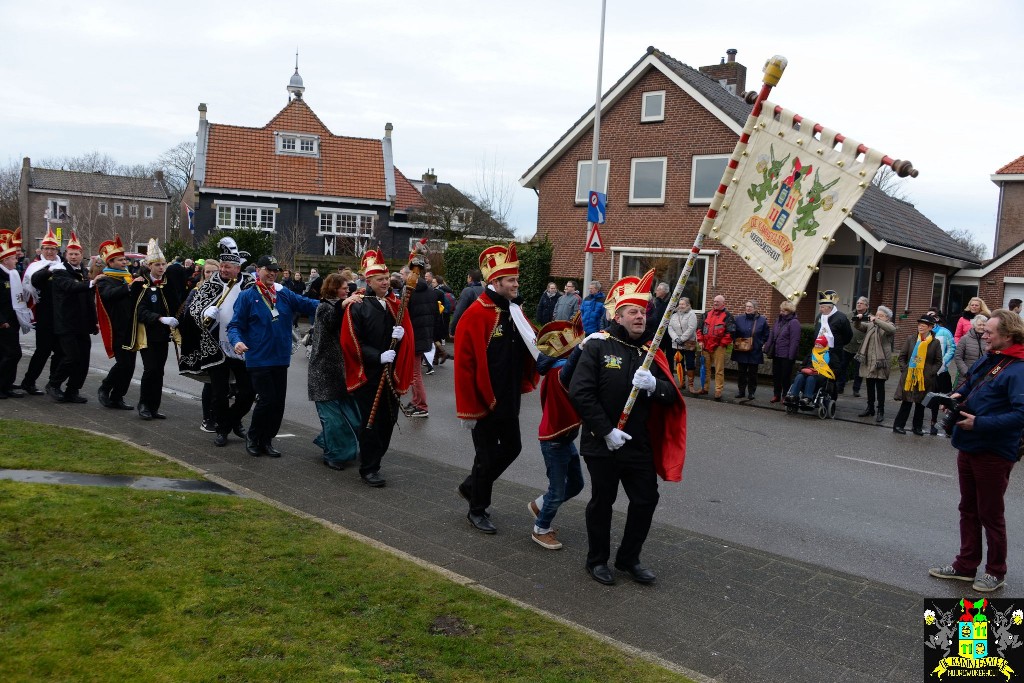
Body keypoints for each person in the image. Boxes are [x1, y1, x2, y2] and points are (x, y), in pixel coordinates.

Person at [569, 268, 685, 585]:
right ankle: (597, 560)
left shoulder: (650, 352)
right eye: (632, 311)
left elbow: (672, 395)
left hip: (637, 443)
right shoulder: (598, 346)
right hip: (602, 442)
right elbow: (580, 392)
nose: (640, 316)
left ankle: (628, 558)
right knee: (602, 502)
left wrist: (653, 387)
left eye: (643, 311)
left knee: (646, 499)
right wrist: (606, 431)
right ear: (618, 316)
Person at [928, 309, 1024, 593]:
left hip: (993, 451)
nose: (984, 334)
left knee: (990, 513)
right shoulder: (991, 357)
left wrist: (979, 422)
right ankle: (965, 565)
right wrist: (956, 396)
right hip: (968, 444)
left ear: (1007, 336)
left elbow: (1021, 415)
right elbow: (971, 382)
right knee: (968, 508)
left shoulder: (1019, 369)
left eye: (990, 332)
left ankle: (996, 571)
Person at [455, 243, 538, 533]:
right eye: (511, 280)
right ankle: (477, 509)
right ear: (495, 282)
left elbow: (532, 344)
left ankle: (471, 486)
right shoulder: (476, 314)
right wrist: (470, 407)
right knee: (486, 456)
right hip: (484, 399)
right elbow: (465, 366)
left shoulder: (512, 311)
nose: (516, 284)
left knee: (512, 447)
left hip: (508, 397)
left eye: (516, 279)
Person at [228, 255, 320, 458]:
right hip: (258, 358)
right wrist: (237, 341)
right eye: (268, 269)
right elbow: (235, 325)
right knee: (267, 400)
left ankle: (267, 440)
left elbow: (306, 304)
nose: (272, 273)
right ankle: (253, 437)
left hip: (280, 357)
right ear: (258, 270)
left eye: (275, 270)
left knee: (278, 403)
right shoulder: (247, 296)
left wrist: (334, 303)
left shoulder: (283, 293)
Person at [340, 249, 415, 486]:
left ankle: (374, 455)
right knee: (371, 421)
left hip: (390, 372)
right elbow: (351, 341)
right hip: (369, 373)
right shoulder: (358, 305)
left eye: (386, 278)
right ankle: (369, 468)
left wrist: (401, 335)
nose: (385, 282)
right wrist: (377, 356)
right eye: (380, 279)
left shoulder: (395, 302)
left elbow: (405, 330)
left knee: (388, 418)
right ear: (368, 281)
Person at [177, 237, 256, 446]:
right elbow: (192, 311)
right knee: (219, 393)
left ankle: (232, 421)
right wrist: (205, 311)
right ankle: (222, 428)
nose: (223, 269)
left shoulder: (249, 284)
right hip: (215, 345)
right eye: (221, 265)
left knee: (248, 391)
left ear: (238, 268)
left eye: (228, 266)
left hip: (241, 345)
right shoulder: (210, 285)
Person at [528, 313, 586, 550]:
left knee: (577, 484)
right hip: (554, 439)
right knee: (557, 489)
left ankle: (538, 505)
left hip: (563, 437)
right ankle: (541, 528)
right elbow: (571, 369)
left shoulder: (556, 366)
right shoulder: (558, 372)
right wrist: (582, 348)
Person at [308, 273, 361, 470]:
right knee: (333, 420)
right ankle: (333, 455)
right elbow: (332, 320)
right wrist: (345, 303)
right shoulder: (324, 307)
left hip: (340, 373)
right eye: (343, 287)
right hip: (323, 373)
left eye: (348, 287)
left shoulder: (341, 306)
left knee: (352, 417)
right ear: (333, 288)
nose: (348, 290)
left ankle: (330, 443)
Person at [132, 239, 180, 420]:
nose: (161, 268)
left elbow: (176, 304)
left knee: (159, 371)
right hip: (147, 335)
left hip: (163, 335)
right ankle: (143, 404)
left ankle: (154, 406)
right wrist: (159, 318)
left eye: (163, 264)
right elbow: (139, 310)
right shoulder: (140, 284)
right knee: (150, 369)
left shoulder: (168, 284)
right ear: (149, 265)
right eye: (157, 264)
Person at [47, 231, 97, 403]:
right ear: (66, 255)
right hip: (66, 322)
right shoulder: (60, 272)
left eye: (76, 254)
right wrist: (91, 283)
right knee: (71, 357)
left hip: (82, 324)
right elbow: (70, 287)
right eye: (71, 254)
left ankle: (73, 390)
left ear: (82, 255)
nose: (74, 257)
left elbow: (89, 300)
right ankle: (53, 384)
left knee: (83, 359)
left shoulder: (84, 272)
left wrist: (94, 322)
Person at [95, 234, 144, 411]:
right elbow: (108, 296)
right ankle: (105, 387)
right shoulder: (104, 280)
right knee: (123, 364)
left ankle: (118, 396)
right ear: (110, 262)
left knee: (130, 366)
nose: (125, 262)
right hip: (117, 328)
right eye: (120, 260)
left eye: (125, 259)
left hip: (131, 327)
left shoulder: (128, 277)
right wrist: (128, 287)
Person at [19, 226, 64, 395]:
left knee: (60, 351)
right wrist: (49, 271)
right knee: (42, 351)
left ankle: (53, 383)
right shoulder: (35, 266)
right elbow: (32, 285)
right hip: (44, 313)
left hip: (60, 315)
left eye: (53, 249)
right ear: (41, 250)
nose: (50, 252)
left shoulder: (62, 265)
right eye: (47, 248)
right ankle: (28, 381)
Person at [892, 315, 943, 435]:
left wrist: (931, 372)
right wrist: (905, 370)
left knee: (921, 404)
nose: (921, 326)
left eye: (924, 325)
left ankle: (917, 427)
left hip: (925, 379)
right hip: (910, 377)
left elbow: (938, 361)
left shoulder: (935, 343)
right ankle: (898, 425)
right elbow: (902, 357)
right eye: (919, 324)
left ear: (931, 327)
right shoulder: (911, 339)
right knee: (907, 402)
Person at [0, 231, 30, 398]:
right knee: (10, 353)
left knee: (12, 354)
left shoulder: (12, 274)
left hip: (12, 321)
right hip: (4, 323)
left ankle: (7, 385)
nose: (16, 259)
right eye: (13, 258)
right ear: (5, 260)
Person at [854, 305, 896, 423]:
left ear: (887, 317)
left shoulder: (889, 326)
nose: (877, 317)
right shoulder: (871, 325)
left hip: (881, 362)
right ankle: (870, 408)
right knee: (869, 385)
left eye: (880, 315)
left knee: (880, 387)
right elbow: (859, 326)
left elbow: (891, 330)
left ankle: (880, 411)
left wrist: (875, 320)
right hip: (869, 359)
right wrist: (857, 319)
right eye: (876, 314)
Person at [813, 290, 853, 399]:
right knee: (817, 375)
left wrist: (838, 345)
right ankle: (816, 396)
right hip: (819, 351)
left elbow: (848, 335)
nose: (820, 309)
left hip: (834, 352)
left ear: (829, 308)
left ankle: (831, 399)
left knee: (832, 376)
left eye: (822, 307)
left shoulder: (841, 318)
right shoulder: (820, 316)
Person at [696, 294, 735, 401]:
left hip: (719, 347)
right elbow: (699, 328)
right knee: (705, 369)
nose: (715, 303)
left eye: (718, 301)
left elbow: (731, 333)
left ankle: (718, 390)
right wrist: (700, 341)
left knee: (719, 370)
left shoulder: (728, 316)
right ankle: (704, 388)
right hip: (705, 346)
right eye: (714, 301)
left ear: (723, 303)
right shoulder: (706, 314)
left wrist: (722, 344)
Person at [731, 299, 769, 401]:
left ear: (755, 309)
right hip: (741, 350)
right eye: (747, 306)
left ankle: (751, 392)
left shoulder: (762, 320)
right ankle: (741, 391)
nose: (748, 308)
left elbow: (766, 335)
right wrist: (736, 341)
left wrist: (760, 343)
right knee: (741, 372)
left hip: (755, 351)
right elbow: (733, 332)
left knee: (753, 373)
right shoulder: (738, 319)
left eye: (750, 307)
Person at [926, 309, 957, 435]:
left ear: (937, 319)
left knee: (946, 398)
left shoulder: (945, 332)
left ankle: (950, 423)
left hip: (942, 371)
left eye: (932, 316)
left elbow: (952, 348)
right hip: (928, 371)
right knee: (932, 398)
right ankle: (932, 423)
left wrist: (943, 363)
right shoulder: (923, 332)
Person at [765, 300, 801, 403]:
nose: (782, 312)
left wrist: (791, 356)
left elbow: (795, 340)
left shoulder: (794, 322)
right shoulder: (778, 320)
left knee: (785, 377)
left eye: (784, 311)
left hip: (786, 355)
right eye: (781, 310)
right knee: (776, 376)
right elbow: (772, 335)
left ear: (790, 311)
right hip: (777, 353)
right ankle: (776, 394)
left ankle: (785, 395)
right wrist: (767, 347)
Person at [784, 335, 833, 407]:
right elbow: (802, 365)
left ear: (824, 346)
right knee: (799, 376)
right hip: (807, 372)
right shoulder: (811, 354)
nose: (817, 346)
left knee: (811, 378)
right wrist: (803, 369)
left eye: (819, 345)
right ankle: (792, 396)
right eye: (816, 344)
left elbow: (832, 369)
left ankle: (807, 398)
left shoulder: (828, 355)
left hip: (819, 376)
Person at [667, 297, 698, 393]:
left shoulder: (691, 314)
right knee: (679, 363)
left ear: (688, 305)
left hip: (688, 343)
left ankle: (691, 385)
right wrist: (676, 338)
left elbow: (691, 328)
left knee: (690, 363)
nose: (681, 306)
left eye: (683, 304)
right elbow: (670, 327)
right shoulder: (674, 315)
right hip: (676, 343)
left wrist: (682, 338)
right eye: (680, 304)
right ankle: (681, 382)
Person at [840, 296, 870, 397]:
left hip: (860, 348)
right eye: (858, 303)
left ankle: (856, 390)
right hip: (847, 346)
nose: (859, 304)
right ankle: (840, 387)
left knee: (858, 371)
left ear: (866, 306)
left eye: (861, 303)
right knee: (842, 367)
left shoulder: (869, 318)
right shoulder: (848, 315)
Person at [954, 314, 989, 382]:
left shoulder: (990, 339)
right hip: (966, 377)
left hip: (983, 377)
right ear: (974, 325)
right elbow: (958, 357)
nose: (982, 327)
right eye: (979, 325)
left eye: (984, 325)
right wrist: (966, 372)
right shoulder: (965, 339)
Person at [450, 269, 484, 335]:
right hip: (482, 326)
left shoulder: (467, 291)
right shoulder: (485, 290)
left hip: (469, 327)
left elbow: (459, 311)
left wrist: (452, 329)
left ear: (470, 278)